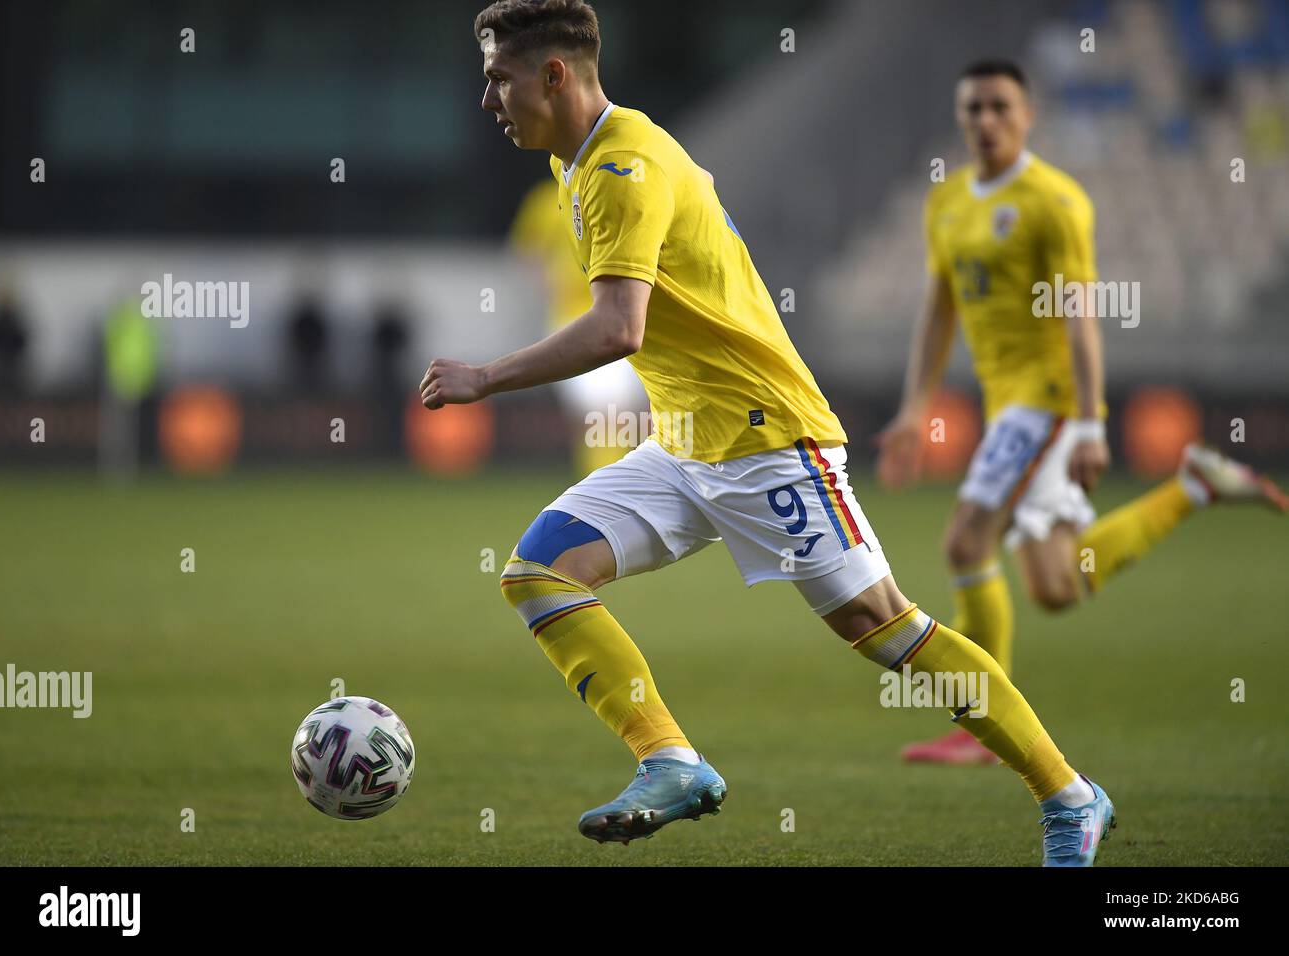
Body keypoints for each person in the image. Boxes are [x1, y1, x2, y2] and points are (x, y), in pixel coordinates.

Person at [421, 2, 1114, 865]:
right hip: (686, 441)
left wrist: (485, 376)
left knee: (884, 627)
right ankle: (670, 760)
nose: (489, 97)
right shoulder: (583, 161)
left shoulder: (622, 166)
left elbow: (617, 329)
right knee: (540, 572)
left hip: (764, 437)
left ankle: (1070, 796)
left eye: (499, 77)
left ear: (554, 74)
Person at [876, 60, 1287, 766]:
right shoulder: (946, 202)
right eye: (972, 109)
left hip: (1051, 400)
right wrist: (915, 407)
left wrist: (1093, 422)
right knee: (1056, 585)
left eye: (1000, 107)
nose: (985, 121)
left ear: (1028, 115)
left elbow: (1080, 315)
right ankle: (1196, 486)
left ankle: (982, 728)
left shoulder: (1054, 201)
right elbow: (939, 307)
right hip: (1010, 403)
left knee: (965, 542)